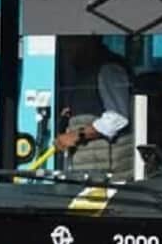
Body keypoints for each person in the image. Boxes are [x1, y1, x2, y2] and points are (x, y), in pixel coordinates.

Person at [55, 37, 134, 173]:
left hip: (110, 173)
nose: (66, 51)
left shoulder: (108, 68)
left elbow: (117, 118)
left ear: (88, 41)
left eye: (68, 44)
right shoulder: (83, 72)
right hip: (90, 170)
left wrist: (78, 135)